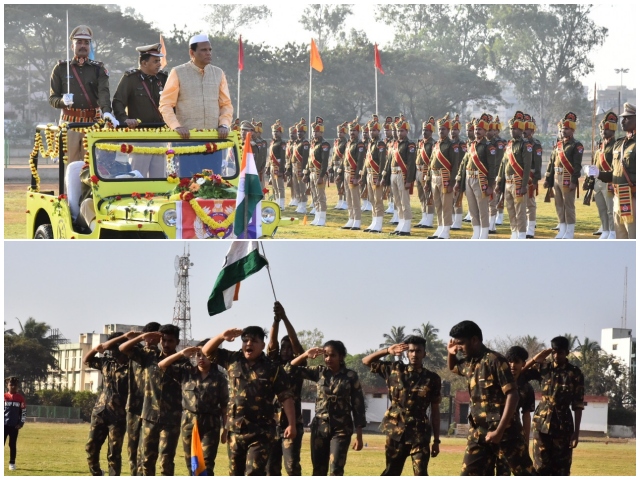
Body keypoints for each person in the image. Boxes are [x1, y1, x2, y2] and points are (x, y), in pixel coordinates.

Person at [202, 326, 296, 476]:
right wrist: (221, 336)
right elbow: (206, 351)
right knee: (235, 474)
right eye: (245, 340)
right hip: (235, 431)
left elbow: (286, 397)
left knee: (253, 473)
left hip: (261, 431)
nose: (248, 344)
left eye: (254, 341)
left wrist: (291, 424)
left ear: (262, 345)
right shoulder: (232, 359)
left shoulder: (273, 368)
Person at [448, 320, 535, 475]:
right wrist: (451, 353)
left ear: (474, 340)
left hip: (507, 433)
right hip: (479, 433)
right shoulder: (469, 363)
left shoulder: (495, 360)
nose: (459, 348)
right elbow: (453, 367)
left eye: (461, 343)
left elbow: (512, 395)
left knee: (525, 474)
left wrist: (499, 431)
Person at [363, 337, 442, 476]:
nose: (414, 354)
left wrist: (436, 440)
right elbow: (366, 361)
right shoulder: (394, 370)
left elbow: (435, 410)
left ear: (424, 353)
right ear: (406, 353)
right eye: (411, 351)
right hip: (396, 431)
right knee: (391, 472)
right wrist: (388, 350)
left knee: (421, 473)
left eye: (418, 351)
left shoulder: (432, 379)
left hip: (420, 433)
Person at [289, 340, 366, 476]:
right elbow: (289, 369)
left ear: (341, 356)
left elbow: (358, 406)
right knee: (318, 470)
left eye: (332, 355)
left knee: (336, 469)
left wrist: (359, 435)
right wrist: (305, 355)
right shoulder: (319, 372)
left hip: (341, 428)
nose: (328, 359)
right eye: (326, 356)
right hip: (320, 427)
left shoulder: (351, 376)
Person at [119, 324, 186, 476]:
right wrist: (142, 337)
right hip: (149, 417)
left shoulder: (183, 363)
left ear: (177, 342)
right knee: (146, 460)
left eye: (170, 341)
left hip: (171, 421)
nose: (166, 344)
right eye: (164, 340)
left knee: (165, 461)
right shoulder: (149, 356)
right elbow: (123, 348)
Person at [157, 340, 229, 476]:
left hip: (210, 424)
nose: (201, 358)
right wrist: (181, 353)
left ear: (212, 355)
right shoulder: (186, 372)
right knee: (191, 463)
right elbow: (161, 365)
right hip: (189, 423)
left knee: (207, 463)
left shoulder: (220, 378)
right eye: (198, 355)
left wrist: (225, 430)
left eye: (204, 355)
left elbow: (225, 406)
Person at [49, 25, 117, 164]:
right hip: (69, 122)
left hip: (91, 123)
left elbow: (103, 93)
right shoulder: (61, 68)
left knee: (91, 167)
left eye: (86, 43)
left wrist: (107, 112)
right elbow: (52, 98)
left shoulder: (98, 69)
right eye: (79, 42)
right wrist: (62, 101)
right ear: (72, 46)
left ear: (90, 46)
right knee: (70, 166)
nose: (83, 46)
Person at [522, 336, 584, 475]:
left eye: (560, 352)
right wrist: (534, 359)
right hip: (541, 424)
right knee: (540, 468)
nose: (556, 356)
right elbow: (519, 374)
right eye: (554, 352)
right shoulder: (543, 368)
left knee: (561, 469)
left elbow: (578, 404)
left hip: (563, 425)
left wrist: (576, 433)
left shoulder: (575, 373)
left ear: (567, 352)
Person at [158, 34, 233, 140]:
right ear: (192, 52)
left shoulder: (218, 73)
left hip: (215, 139)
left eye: (209, 50)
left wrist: (224, 125)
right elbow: (165, 104)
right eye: (203, 50)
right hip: (185, 139)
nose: (208, 53)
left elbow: (226, 104)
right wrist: (176, 126)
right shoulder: (178, 72)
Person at [112, 43, 168, 178]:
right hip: (140, 135)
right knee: (138, 175)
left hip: (160, 134)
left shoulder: (162, 78)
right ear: (144, 63)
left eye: (159, 61)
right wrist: (125, 120)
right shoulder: (131, 79)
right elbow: (118, 101)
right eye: (155, 61)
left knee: (159, 176)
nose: (159, 64)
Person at [83, 332, 132, 476]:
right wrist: (97, 348)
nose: (112, 351)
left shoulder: (132, 366)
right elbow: (87, 360)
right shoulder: (106, 363)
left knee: (114, 453)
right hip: (100, 412)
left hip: (118, 416)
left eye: (115, 348)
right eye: (110, 348)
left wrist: (126, 339)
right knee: (91, 447)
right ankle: (97, 473)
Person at [266, 302, 306, 476]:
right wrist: (276, 320)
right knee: (270, 468)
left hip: (291, 423)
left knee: (291, 466)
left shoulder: (299, 366)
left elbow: (296, 343)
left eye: (289, 348)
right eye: (284, 347)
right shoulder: (273, 365)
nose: (286, 350)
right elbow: (272, 344)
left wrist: (285, 318)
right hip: (270, 423)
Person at [492, 346, 536, 475]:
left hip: (513, 437)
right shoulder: (496, 383)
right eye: (509, 361)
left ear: (523, 364)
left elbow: (526, 416)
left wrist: (526, 442)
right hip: (492, 432)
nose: (512, 365)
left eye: (516, 362)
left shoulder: (526, 388)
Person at [124, 322, 160, 476]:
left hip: (151, 409)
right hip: (135, 406)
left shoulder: (161, 355)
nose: (151, 340)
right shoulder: (138, 352)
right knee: (132, 449)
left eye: (154, 336)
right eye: (148, 336)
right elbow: (123, 348)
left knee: (147, 451)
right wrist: (140, 337)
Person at [454, 114, 497, 239]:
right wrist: (458, 180)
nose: (477, 131)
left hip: (480, 180)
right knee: (472, 208)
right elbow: (463, 163)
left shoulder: (489, 146)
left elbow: (492, 167)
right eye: (476, 129)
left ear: (485, 131)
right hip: (468, 178)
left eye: (480, 129)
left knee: (482, 208)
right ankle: (476, 232)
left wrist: (490, 185)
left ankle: (484, 233)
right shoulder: (471, 145)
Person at [596, 103, 636, 239]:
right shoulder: (620, 143)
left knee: (633, 236)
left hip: (634, 197)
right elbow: (615, 172)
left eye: (628, 118)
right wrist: (598, 174)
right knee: (621, 237)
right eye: (623, 118)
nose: (623, 121)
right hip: (619, 196)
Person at [544, 112, 583, 239]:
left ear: (572, 130)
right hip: (556, 177)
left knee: (568, 205)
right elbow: (551, 162)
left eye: (566, 128)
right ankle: (562, 228)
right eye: (562, 128)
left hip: (567, 177)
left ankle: (570, 230)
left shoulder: (576, 145)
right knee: (559, 204)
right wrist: (547, 178)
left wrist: (574, 180)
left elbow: (577, 166)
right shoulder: (558, 145)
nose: (563, 131)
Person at [494, 111, 533, 239]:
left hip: (518, 181)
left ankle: (521, 234)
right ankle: (514, 232)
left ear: (521, 129)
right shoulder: (509, 145)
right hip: (508, 182)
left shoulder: (525, 145)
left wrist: (524, 184)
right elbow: (503, 164)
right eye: (511, 128)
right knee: (510, 208)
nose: (512, 131)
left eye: (515, 128)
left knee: (520, 210)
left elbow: (527, 166)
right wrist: (499, 182)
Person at [382, 117, 417, 236]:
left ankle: (406, 226)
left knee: (404, 201)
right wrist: (385, 177)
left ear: (406, 131)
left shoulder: (410, 144)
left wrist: (409, 180)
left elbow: (411, 163)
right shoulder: (394, 144)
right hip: (393, 174)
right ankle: (401, 223)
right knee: (397, 201)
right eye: (397, 131)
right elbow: (389, 161)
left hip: (402, 175)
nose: (399, 133)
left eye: (402, 131)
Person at [427, 114, 460, 239]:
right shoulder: (436, 144)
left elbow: (455, 165)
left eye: (444, 129)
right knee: (438, 204)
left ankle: (446, 230)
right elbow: (431, 162)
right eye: (440, 129)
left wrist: (452, 183)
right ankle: (440, 227)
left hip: (445, 177)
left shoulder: (452, 145)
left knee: (446, 206)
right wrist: (428, 180)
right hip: (435, 177)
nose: (441, 131)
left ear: (448, 130)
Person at [363, 115, 388, 233]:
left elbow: (383, 162)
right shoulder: (371, 143)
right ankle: (374, 222)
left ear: (378, 131)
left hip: (375, 175)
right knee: (372, 200)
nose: (371, 132)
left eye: (374, 130)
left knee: (378, 200)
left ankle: (378, 224)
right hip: (369, 174)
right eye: (370, 130)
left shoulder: (380, 144)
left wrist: (379, 177)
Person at [306, 117, 331, 226]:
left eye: (317, 131)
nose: (314, 133)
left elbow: (325, 161)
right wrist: (306, 172)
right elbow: (309, 160)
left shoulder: (324, 144)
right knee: (314, 196)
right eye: (313, 131)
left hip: (318, 173)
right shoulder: (313, 144)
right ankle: (317, 216)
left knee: (321, 197)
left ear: (321, 132)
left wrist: (321, 176)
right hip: (311, 173)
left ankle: (322, 218)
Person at [341, 120, 366, 230]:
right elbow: (344, 160)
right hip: (346, 172)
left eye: (354, 131)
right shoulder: (348, 143)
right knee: (348, 198)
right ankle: (351, 219)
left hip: (353, 173)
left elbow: (360, 161)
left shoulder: (359, 144)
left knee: (355, 198)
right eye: (351, 130)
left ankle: (357, 221)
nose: (352, 132)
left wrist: (357, 176)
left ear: (358, 132)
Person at [523, 114, 543, 238]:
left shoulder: (535, 144)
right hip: (519, 176)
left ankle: (530, 229)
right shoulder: (519, 143)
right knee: (520, 203)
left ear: (532, 130)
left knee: (530, 203)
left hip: (530, 176)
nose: (524, 131)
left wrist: (535, 179)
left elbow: (538, 163)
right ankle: (522, 227)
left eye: (527, 129)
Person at [415, 117, 436, 230]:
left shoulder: (432, 144)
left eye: (427, 130)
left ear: (431, 132)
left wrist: (429, 175)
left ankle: (429, 219)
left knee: (429, 197)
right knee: (421, 196)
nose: (424, 132)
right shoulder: (421, 143)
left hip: (426, 171)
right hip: (418, 171)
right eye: (423, 130)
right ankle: (424, 217)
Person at [488, 116, 507, 231]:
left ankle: (498, 217)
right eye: (491, 130)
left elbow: (499, 159)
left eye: (494, 130)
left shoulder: (500, 143)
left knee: (497, 196)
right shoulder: (487, 143)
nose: (493, 132)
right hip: (488, 173)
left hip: (497, 173)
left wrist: (496, 175)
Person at [4, 377, 26, 472]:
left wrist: (21, 423)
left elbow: (23, 411)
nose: (13, 387)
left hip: (14, 426)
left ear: (17, 386)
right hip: (3, 425)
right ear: (7, 385)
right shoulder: (3, 397)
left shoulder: (20, 398)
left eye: (15, 385)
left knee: (12, 444)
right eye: (11, 385)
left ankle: (12, 463)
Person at [450, 114, 468, 230]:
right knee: (449, 199)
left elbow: (463, 160)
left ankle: (457, 222)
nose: (453, 132)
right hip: (447, 174)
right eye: (452, 129)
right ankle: (451, 220)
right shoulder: (448, 143)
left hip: (458, 174)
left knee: (457, 199)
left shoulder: (462, 145)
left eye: (455, 129)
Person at [267, 120, 287, 211]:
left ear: (280, 133)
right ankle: (276, 202)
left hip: (278, 165)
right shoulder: (272, 143)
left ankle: (281, 204)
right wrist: (268, 167)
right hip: (272, 165)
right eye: (273, 132)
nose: (275, 133)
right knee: (274, 186)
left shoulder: (282, 143)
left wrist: (281, 170)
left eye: (277, 132)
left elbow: (283, 158)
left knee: (280, 186)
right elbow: (270, 157)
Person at [292, 119, 310, 214]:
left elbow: (305, 157)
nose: (299, 133)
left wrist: (304, 171)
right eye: (298, 132)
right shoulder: (296, 142)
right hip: (294, 167)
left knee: (302, 187)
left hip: (301, 167)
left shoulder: (305, 143)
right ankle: (299, 203)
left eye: (301, 132)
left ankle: (303, 204)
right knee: (296, 187)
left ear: (304, 133)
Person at [331, 122, 349, 210]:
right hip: (335, 165)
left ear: (344, 133)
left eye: (341, 132)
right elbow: (333, 154)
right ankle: (340, 200)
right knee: (338, 183)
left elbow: (345, 156)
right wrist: (331, 165)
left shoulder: (345, 143)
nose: (339, 134)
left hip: (342, 166)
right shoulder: (336, 142)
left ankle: (345, 201)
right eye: (338, 132)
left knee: (344, 184)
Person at [285, 124, 299, 208]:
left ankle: (297, 198)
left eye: (293, 133)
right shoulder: (289, 143)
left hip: (295, 164)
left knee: (296, 183)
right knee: (291, 182)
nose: (291, 135)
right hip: (288, 164)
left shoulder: (296, 143)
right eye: (290, 133)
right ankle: (293, 197)